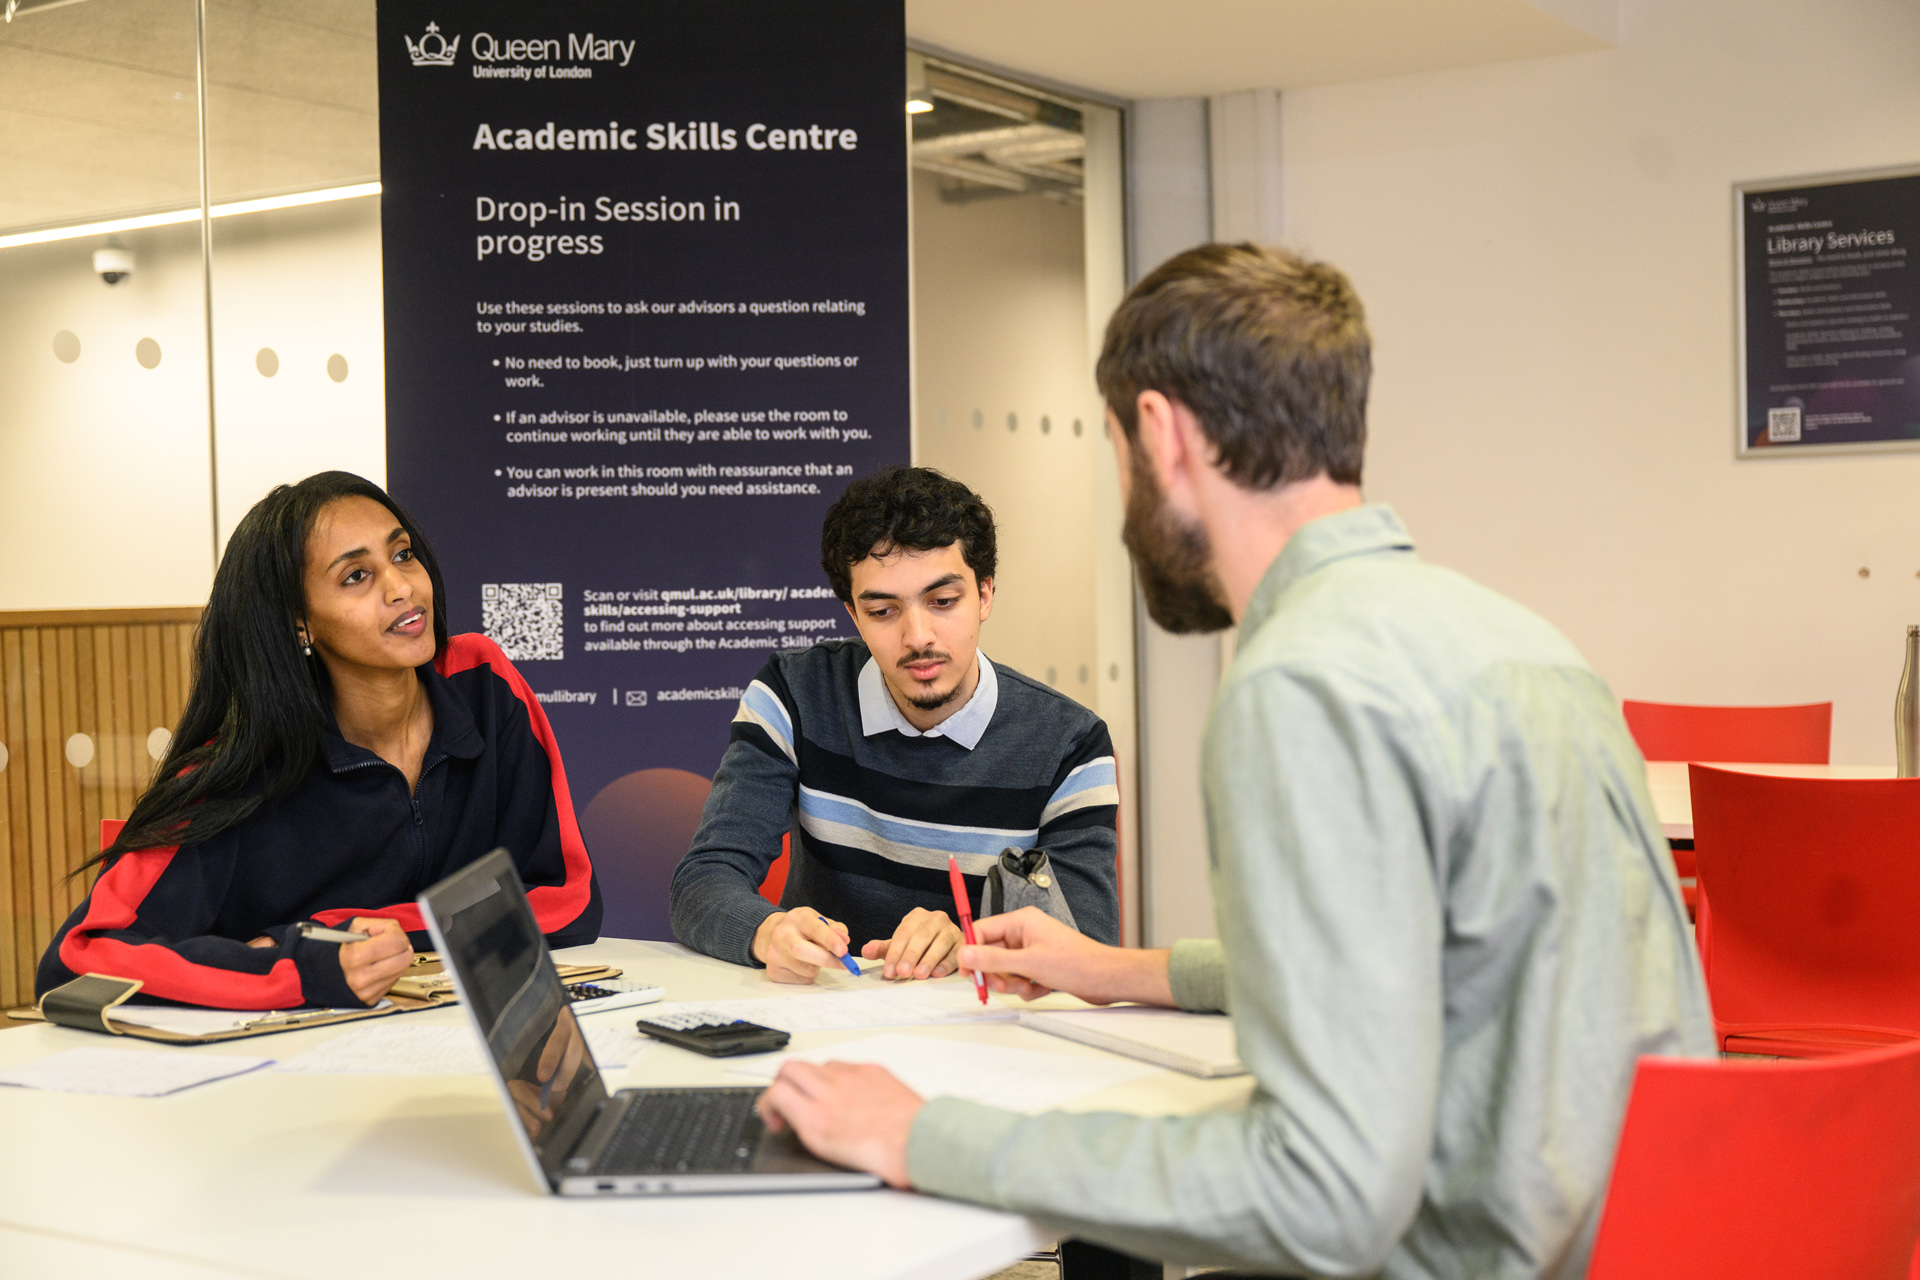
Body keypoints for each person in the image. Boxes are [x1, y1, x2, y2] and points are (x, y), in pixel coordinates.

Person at [755, 245, 1713, 1276]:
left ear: (1160, 435)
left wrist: (923, 1134)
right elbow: (1419, 958)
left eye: (1115, 450)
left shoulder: (1300, 683)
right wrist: (1114, 970)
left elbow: (1323, 1193)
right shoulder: (1518, 638)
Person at [38, 471, 600, 1009]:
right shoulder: (239, 769)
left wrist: (324, 931)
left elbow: (567, 899)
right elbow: (79, 959)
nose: (403, 587)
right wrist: (296, 968)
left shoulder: (482, 680)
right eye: (356, 576)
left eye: (402, 554)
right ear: (298, 623)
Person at [669, 466, 1120, 984]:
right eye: (883, 610)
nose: (917, 636)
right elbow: (703, 881)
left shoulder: (1070, 745)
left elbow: (1088, 941)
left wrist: (969, 942)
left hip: (982, 1039)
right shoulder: (794, 695)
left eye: (943, 602)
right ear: (853, 616)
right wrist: (769, 931)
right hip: (828, 1015)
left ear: (986, 594)